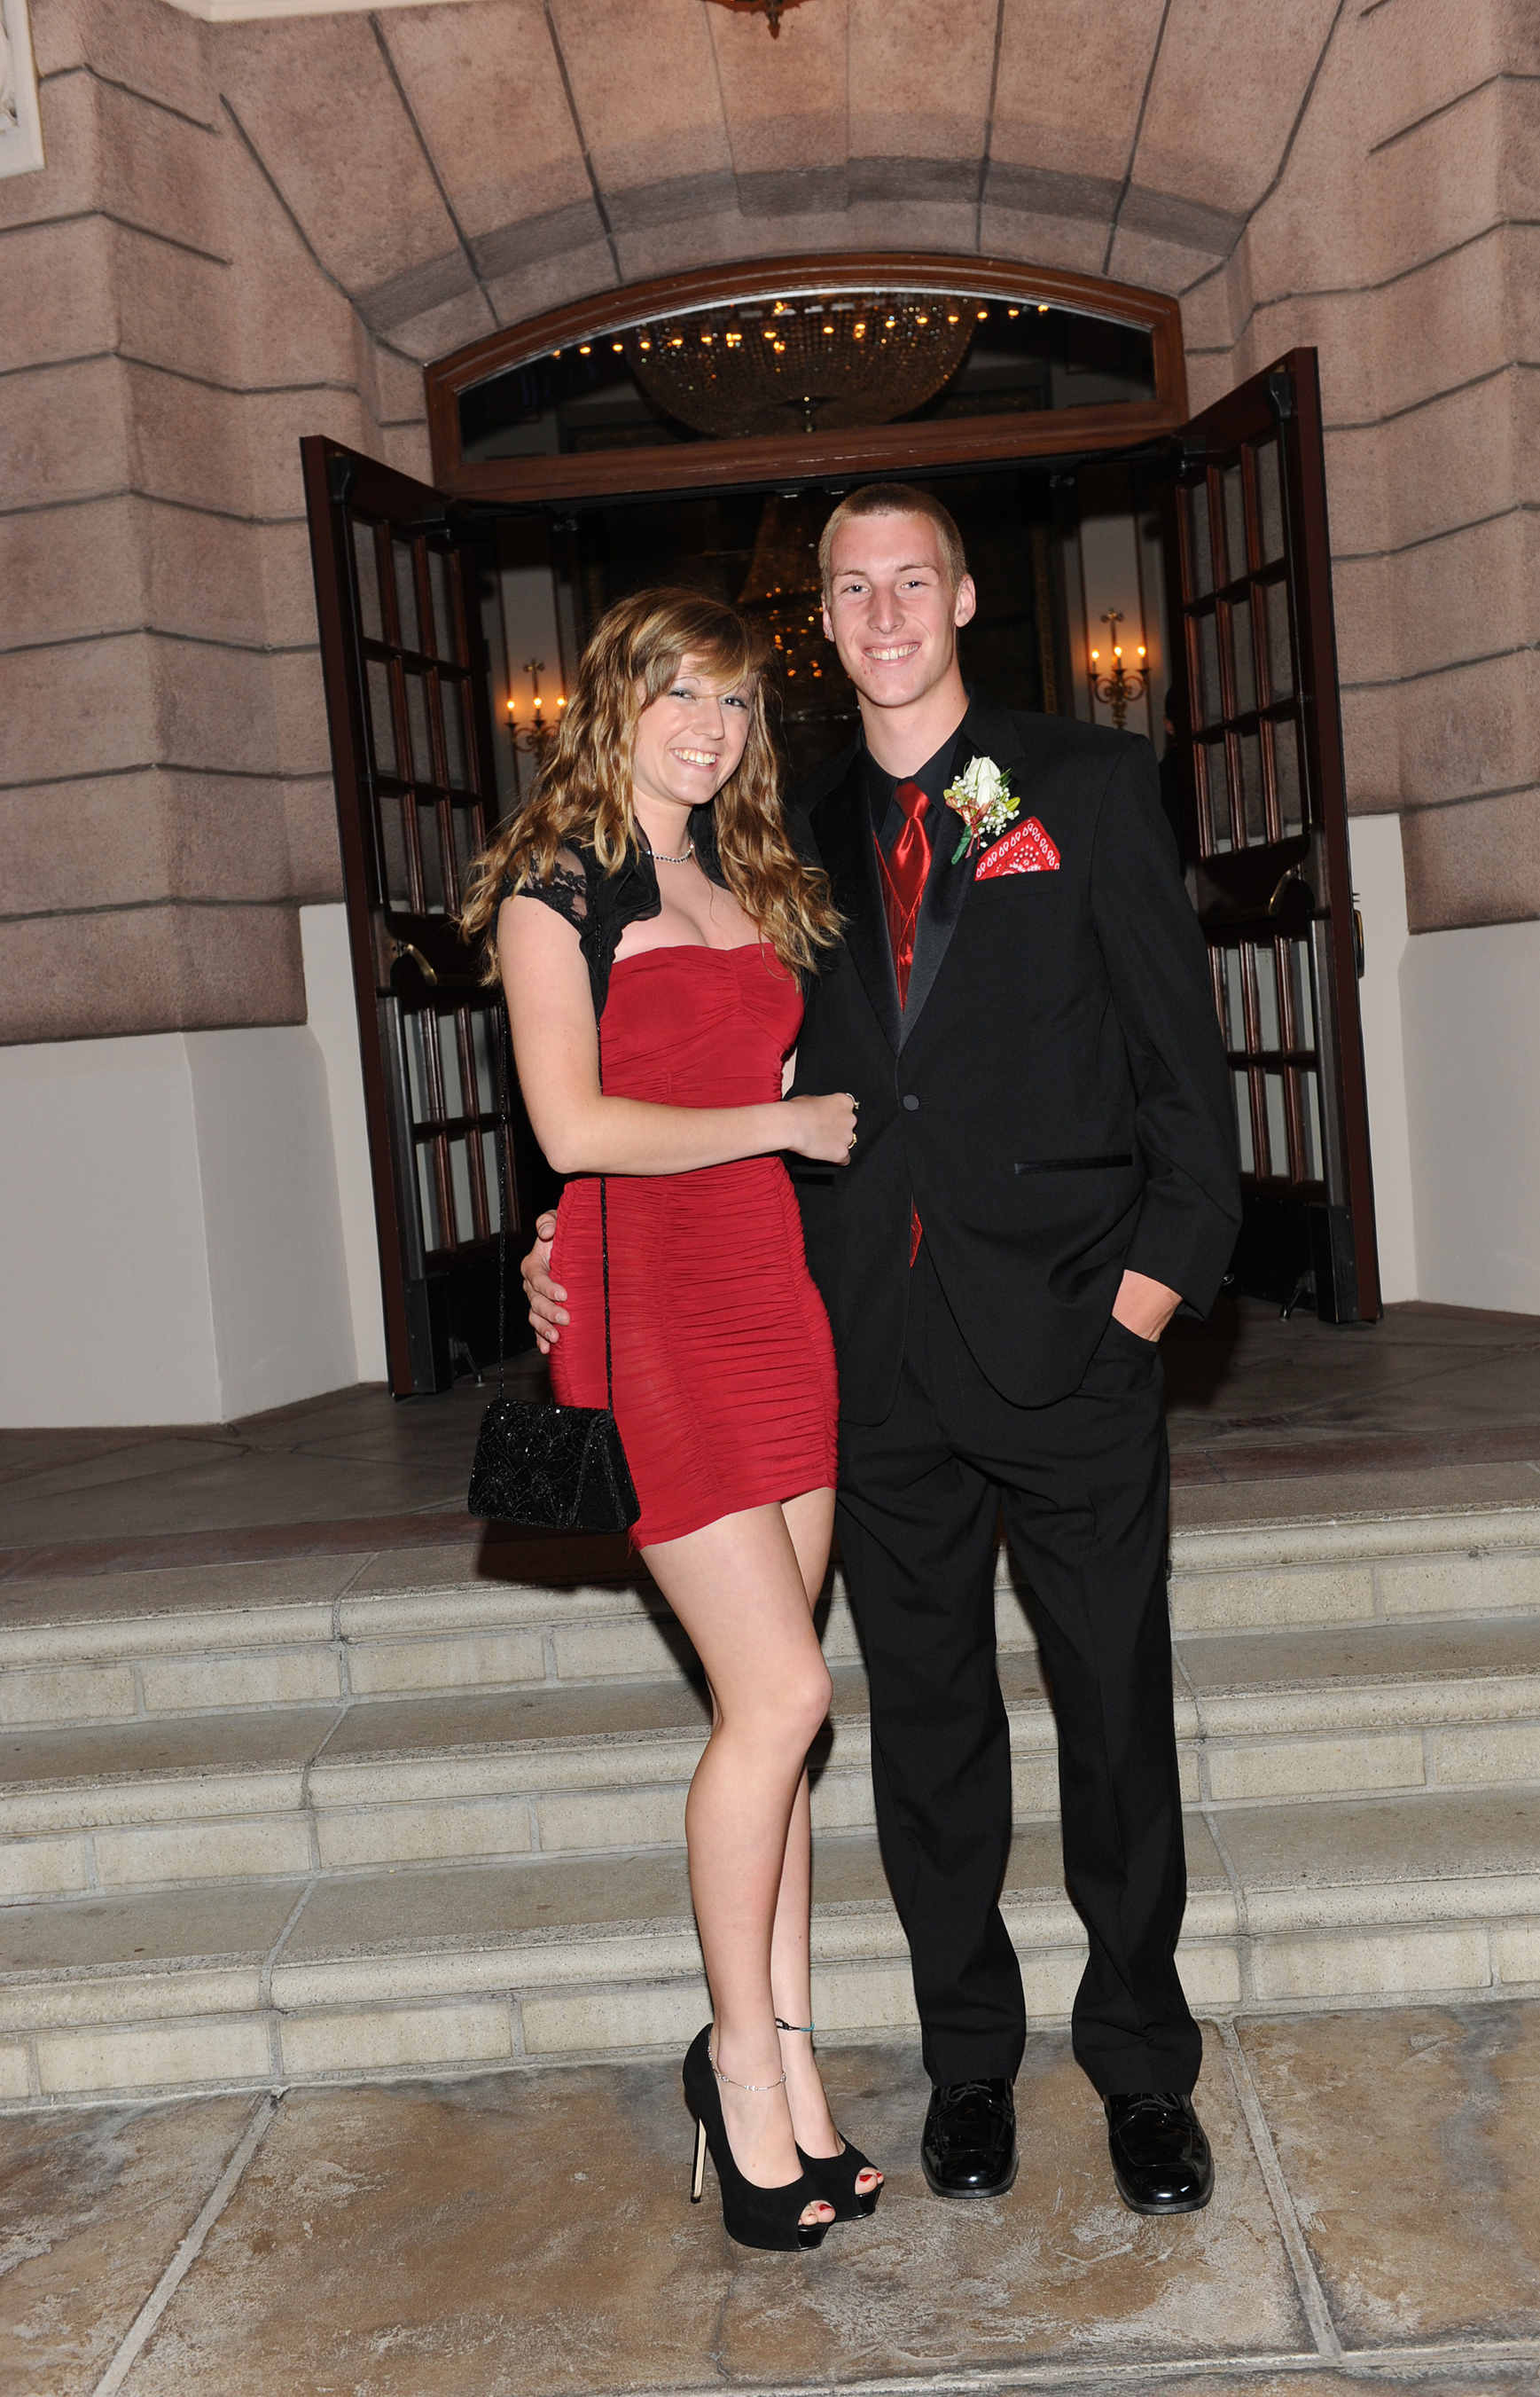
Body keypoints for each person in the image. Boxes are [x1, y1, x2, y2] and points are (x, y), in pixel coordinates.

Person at [524, 492, 1240, 2219]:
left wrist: (1152, 1292)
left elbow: (1178, 1062)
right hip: (869, 1355)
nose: (887, 610)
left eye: (913, 579)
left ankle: (1143, 2067)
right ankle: (969, 2057)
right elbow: (691, 1072)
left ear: (966, 598)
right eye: (854, 589)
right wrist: (566, 1238)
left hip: (1074, 1330)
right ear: (827, 627)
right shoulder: (786, 840)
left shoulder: (1071, 788)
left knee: (1114, 1716)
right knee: (923, 1727)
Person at [460, 588, 882, 2252]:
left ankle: (790, 2061)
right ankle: (736, 2069)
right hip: (653, 1318)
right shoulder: (554, 888)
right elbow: (572, 1129)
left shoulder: (746, 873)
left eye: (733, 701)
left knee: (771, 1722)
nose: (707, 729)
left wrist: (775, 1130)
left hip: (774, 1301)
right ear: (615, 702)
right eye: (678, 694)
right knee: (785, 1696)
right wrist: (774, 1122)